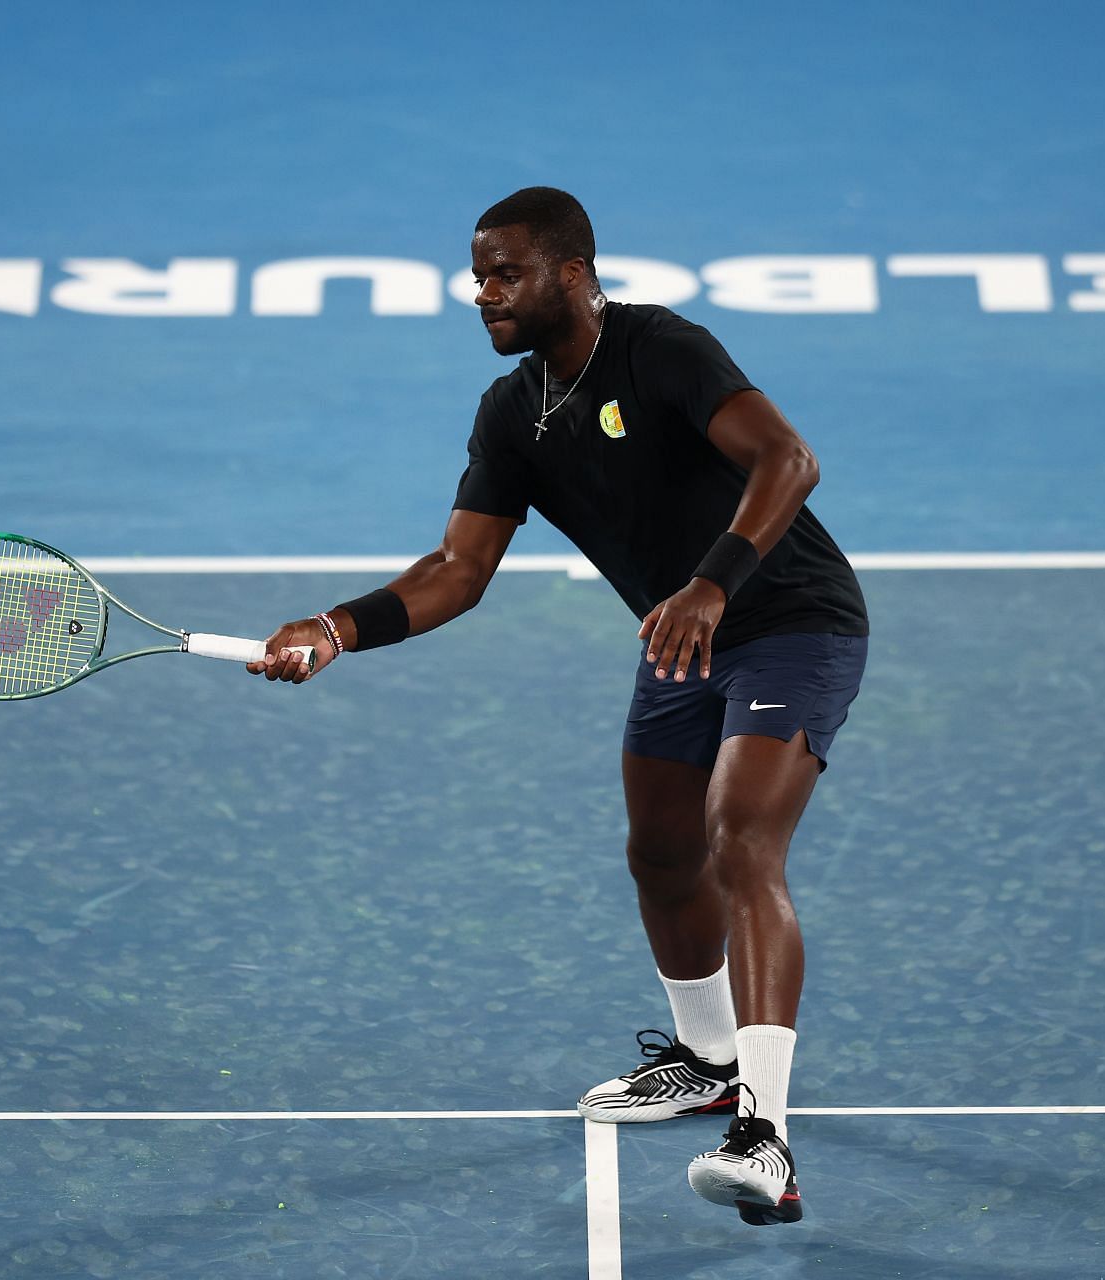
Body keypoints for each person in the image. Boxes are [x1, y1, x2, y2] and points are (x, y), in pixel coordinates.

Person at [250, 187, 868, 1226]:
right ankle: (708, 1056)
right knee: (661, 854)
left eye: (505, 273)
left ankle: (765, 1139)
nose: (482, 291)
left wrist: (711, 582)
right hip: (679, 638)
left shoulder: (663, 349)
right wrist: (336, 627)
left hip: (788, 617)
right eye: (478, 272)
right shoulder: (513, 412)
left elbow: (788, 459)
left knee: (741, 841)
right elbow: (458, 566)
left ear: (573, 273)